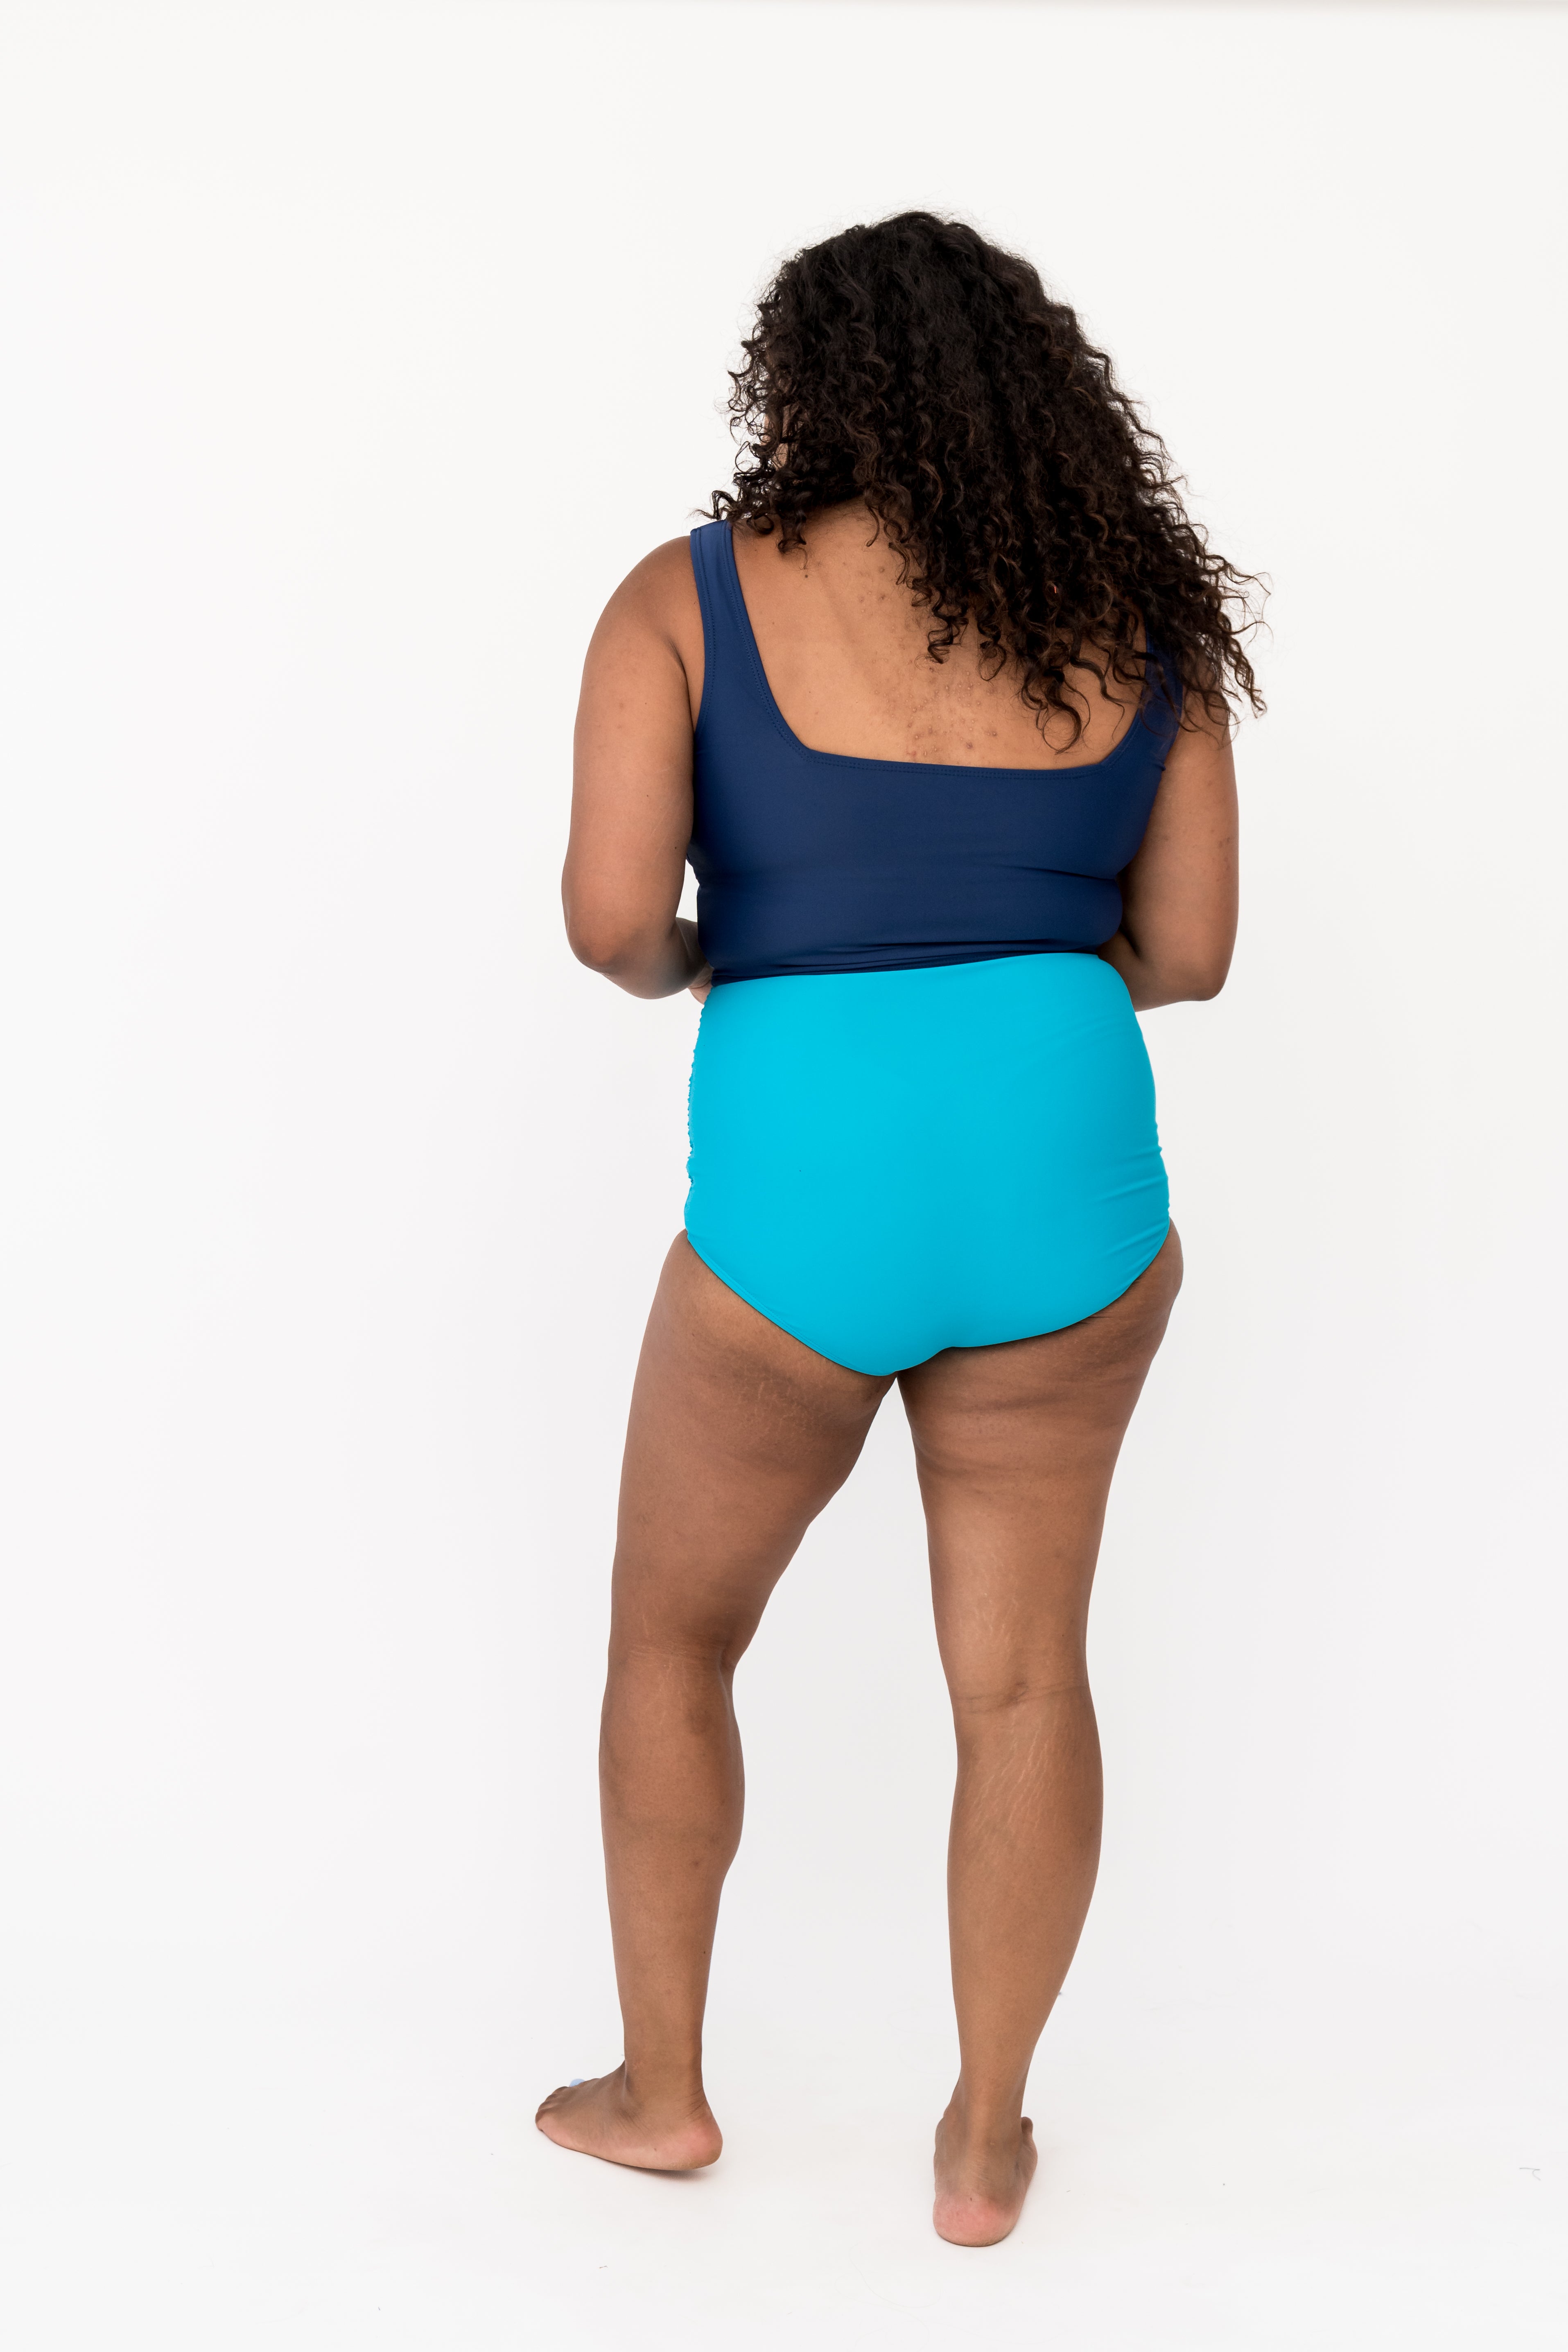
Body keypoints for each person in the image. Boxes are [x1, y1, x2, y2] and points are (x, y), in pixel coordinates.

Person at [538, 211, 1258, 2247]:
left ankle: (661, 2093)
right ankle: (985, 2139)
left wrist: (722, 955)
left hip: (808, 1177)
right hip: (1064, 1170)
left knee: (677, 1635)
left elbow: (610, 918)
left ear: (803, 387)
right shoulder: (1139, 610)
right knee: (1022, 1679)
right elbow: (1191, 953)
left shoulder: (684, 600)